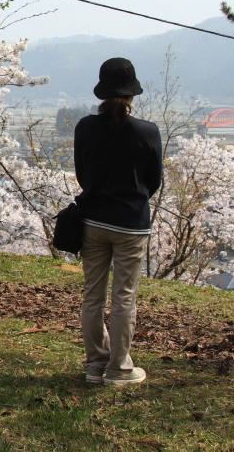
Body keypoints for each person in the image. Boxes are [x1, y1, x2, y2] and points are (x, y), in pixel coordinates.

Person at [74, 57, 162, 387]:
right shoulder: (147, 132)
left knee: (92, 295)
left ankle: (95, 363)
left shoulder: (85, 127)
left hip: (94, 220)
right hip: (131, 223)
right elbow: (154, 180)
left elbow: (83, 174)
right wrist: (135, 197)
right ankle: (119, 368)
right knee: (124, 295)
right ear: (131, 94)